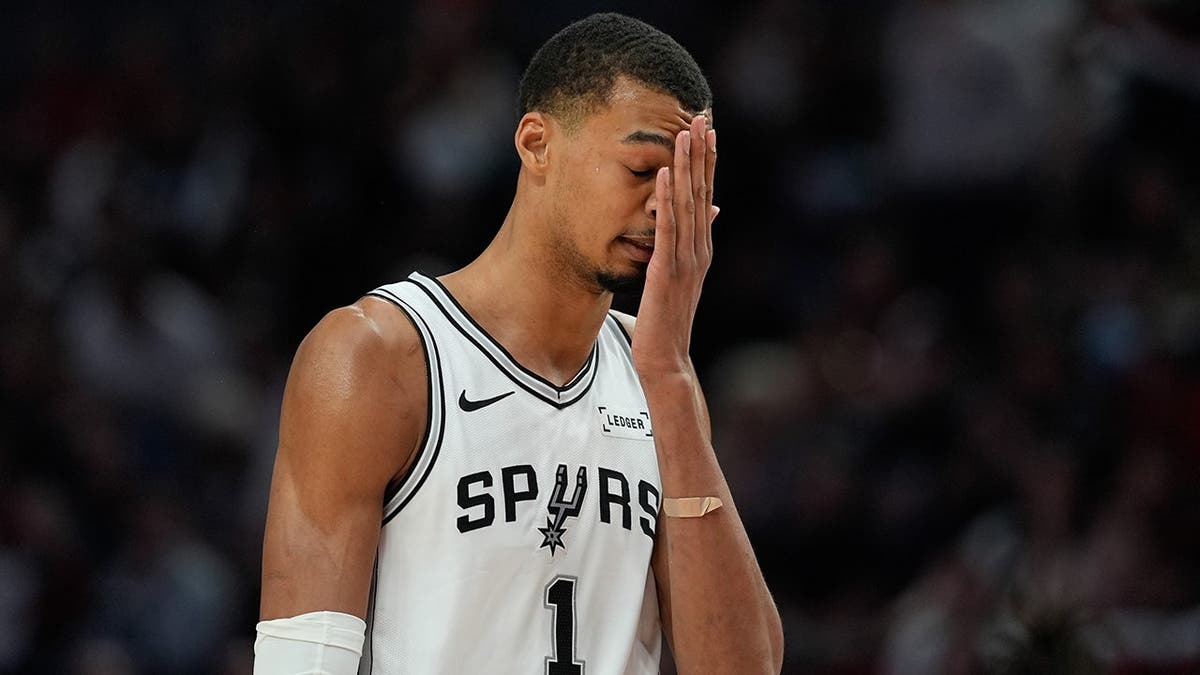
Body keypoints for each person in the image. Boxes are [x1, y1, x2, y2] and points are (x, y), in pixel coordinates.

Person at [254, 12, 784, 675]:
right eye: (643, 166)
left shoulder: (661, 383)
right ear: (537, 144)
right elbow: (301, 662)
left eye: (686, 181)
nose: (663, 205)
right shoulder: (380, 356)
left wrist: (671, 379)